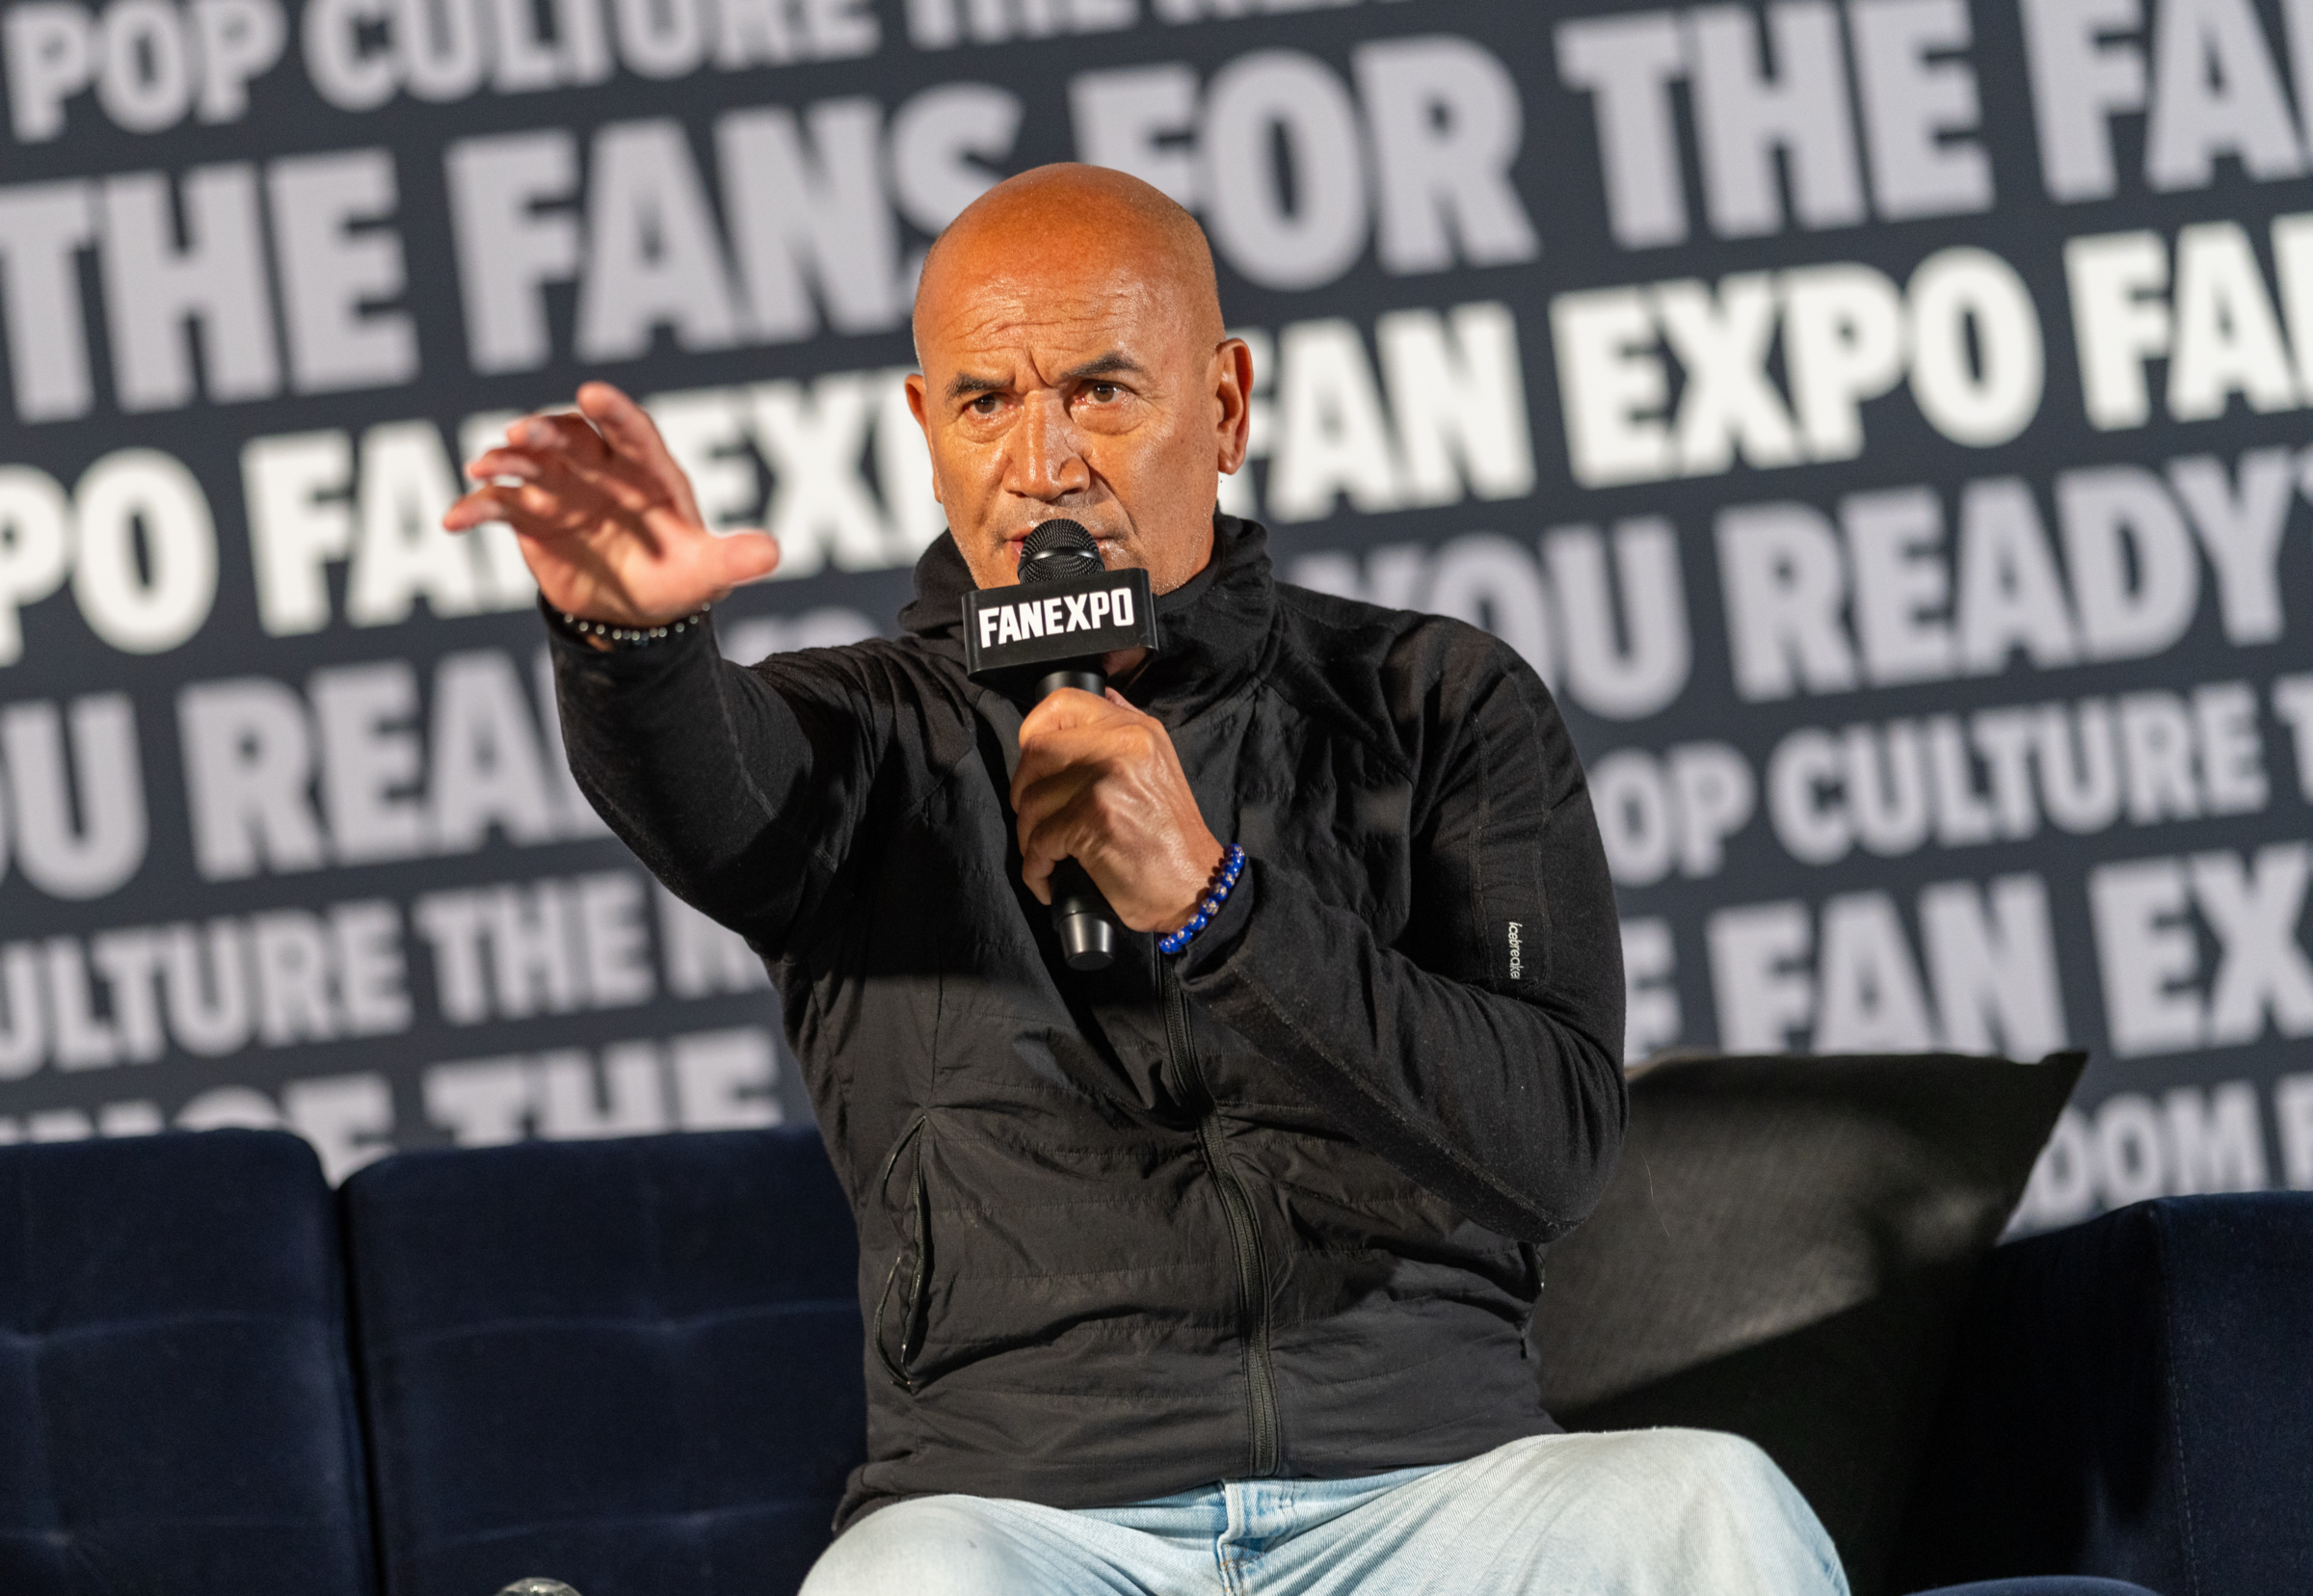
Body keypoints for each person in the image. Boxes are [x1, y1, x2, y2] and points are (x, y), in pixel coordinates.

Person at [446, 163, 1847, 1596]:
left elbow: (1551, 1151)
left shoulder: (1438, 700)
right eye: (988, 402)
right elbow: (715, 794)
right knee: (908, 1581)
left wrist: (1218, 907)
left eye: (1102, 392)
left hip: (1438, 1494)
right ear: (928, 434)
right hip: (1031, 1521)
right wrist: (632, 655)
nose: (1043, 460)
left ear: (1225, 406)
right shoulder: (863, 735)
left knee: (1706, 1503)